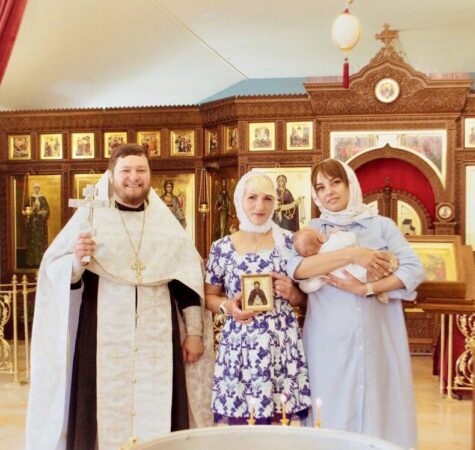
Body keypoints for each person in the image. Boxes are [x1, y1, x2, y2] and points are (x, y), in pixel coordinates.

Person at [26, 144, 214, 450]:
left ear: (150, 175)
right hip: (101, 334)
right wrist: (76, 261)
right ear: (111, 176)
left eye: (141, 170)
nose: (134, 177)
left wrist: (194, 333)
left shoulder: (166, 227)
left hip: (158, 336)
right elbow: (55, 273)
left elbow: (187, 282)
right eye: (126, 170)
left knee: (160, 413)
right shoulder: (91, 220)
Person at [287, 159, 425, 449]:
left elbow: (414, 270)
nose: (329, 192)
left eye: (335, 182)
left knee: (378, 403)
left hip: (377, 338)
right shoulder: (312, 229)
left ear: (350, 184)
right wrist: (353, 254)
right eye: (320, 187)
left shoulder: (382, 226)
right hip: (327, 341)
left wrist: (366, 288)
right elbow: (298, 270)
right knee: (331, 404)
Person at [205, 171, 312, 425]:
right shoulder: (221, 248)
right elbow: (210, 296)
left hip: (280, 347)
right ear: (239, 200)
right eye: (252, 197)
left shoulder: (290, 243)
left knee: (282, 428)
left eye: (267, 198)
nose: (260, 206)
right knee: (243, 432)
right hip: (239, 348)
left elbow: (312, 298)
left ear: (276, 202)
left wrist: (293, 293)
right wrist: (228, 307)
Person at [293, 227, 398, 303]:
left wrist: (303, 285)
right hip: (363, 269)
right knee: (380, 259)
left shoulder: (317, 269)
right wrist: (337, 233)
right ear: (320, 238)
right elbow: (351, 239)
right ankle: (388, 274)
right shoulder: (333, 242)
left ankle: (381, 292)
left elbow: (311, 287)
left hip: (349, 279)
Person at [25, 182, 50, 267]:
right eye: (35, 188)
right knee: (32, 241)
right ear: (33, 188)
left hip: (40, 224)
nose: (36, 189)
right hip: (32, 224)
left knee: (41, 240)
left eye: (38, 188)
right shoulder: (30, 198)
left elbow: (47, 209)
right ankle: (32, 261)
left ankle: (41, 261)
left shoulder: (43, 198)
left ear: (40, 189)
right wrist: (30, 211)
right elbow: (27, 209)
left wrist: (43, 212)